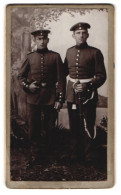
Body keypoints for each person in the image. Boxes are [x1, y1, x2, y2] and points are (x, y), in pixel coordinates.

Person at [18, 28, 66, 168]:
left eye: (44, 38)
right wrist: (28, 86)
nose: (42, 41)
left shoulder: (55, 56)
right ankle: (35, 156)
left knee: (50, 128)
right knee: (34, 128)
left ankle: (49, 157)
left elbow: (61, 80)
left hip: (50, 98)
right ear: (35, 41)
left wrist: (59, 99)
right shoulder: (30, 57)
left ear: (48, 40)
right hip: (33, 98)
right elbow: (20, 76)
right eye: (39, 39)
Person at [64, 22, 107, 165]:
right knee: (74, 124)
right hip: (72, 94)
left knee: (88, 124)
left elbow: (101, 76)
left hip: (89, 94)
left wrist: (87, 85)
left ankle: (89, 156)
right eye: (78, 33)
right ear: (73, 35)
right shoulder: (69, 51)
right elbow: (64, 72)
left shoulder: (95, 52)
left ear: (87, 35)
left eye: (83, 33)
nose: (81, 35)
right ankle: (74, 155)